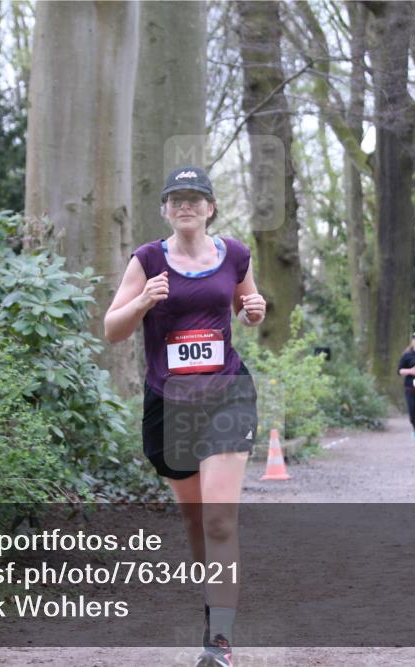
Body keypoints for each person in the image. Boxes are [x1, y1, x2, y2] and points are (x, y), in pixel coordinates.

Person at [104, 166, 266, 667]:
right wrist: (144, 301)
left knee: (219, 518)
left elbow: (246, 304)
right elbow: (112, 328)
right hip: (170, 404)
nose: (186, 206)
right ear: (166, 210)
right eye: (177, 199)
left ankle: (219, 639)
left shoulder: (235, 254)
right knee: (196, 520)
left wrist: (254, 311)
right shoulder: (148, 259)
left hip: (226, 395)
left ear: (211, 207)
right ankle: (215, 601)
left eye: (196, 198)